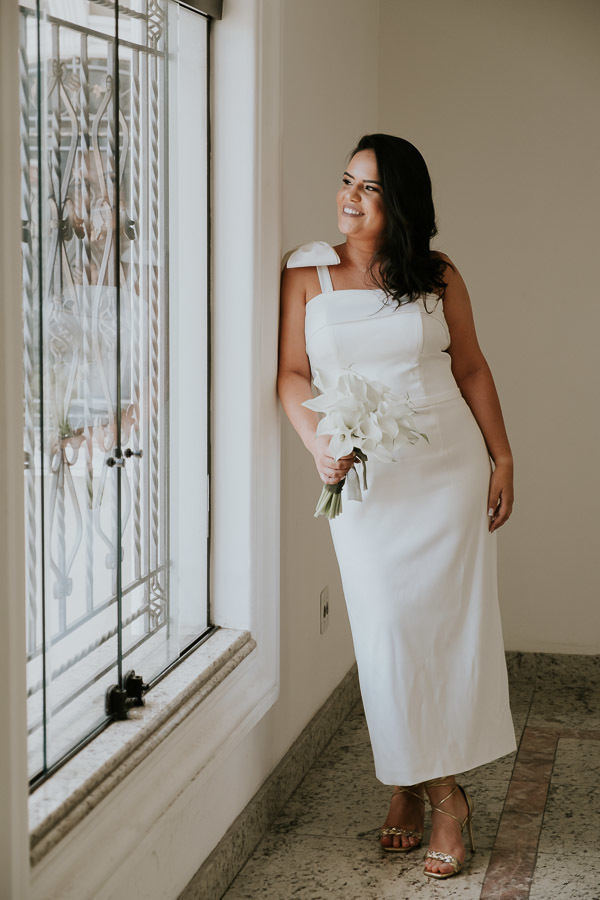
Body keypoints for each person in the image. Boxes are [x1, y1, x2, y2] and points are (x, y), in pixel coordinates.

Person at [276, 133, 516, 880]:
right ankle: (423, 782)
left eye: (369, 189)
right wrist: (318, 445)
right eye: (346, 181)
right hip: (365, 484)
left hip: (444, 471)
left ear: (400, 202)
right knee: (388, 631)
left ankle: (433, 793)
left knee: (446, 631)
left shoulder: (437, 275)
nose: (348, 198)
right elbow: (289, 372)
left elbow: (470, 365)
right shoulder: (307, 274)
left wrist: (503, 455)